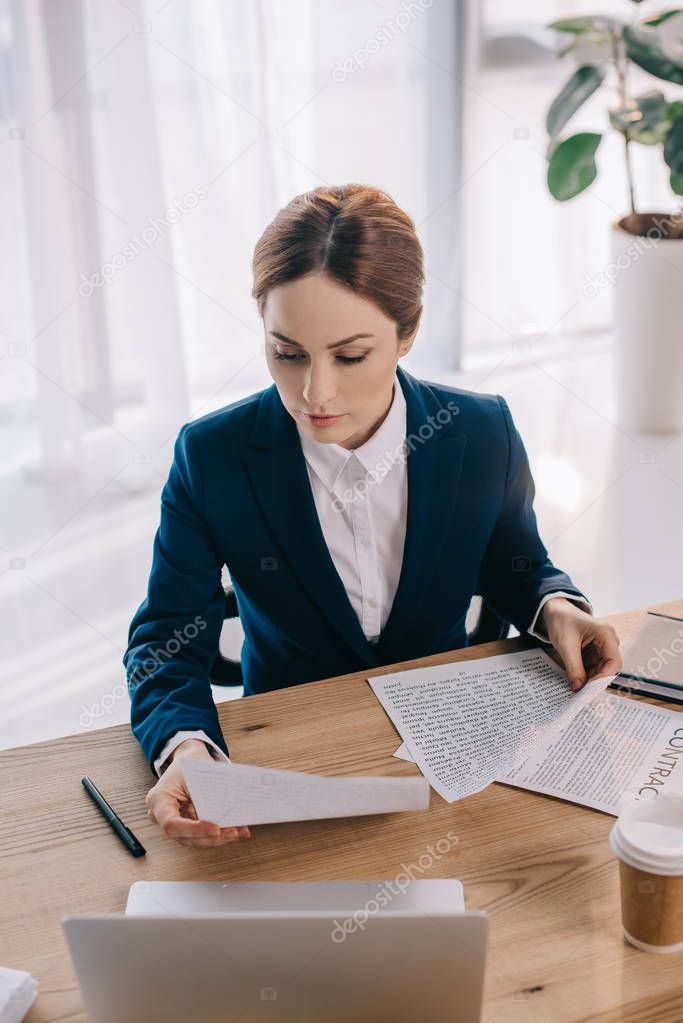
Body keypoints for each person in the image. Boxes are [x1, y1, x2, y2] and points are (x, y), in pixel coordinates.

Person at [125, 183, 622, 848]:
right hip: (287, 765)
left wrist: (553, 604)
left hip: (450, 758)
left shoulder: (479, 432)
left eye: (350, 355)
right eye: (287, 351)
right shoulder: (212, 456)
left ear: (407, 331)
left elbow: (515, 563)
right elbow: (165, 639)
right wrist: (186, 750)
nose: (314, 392)